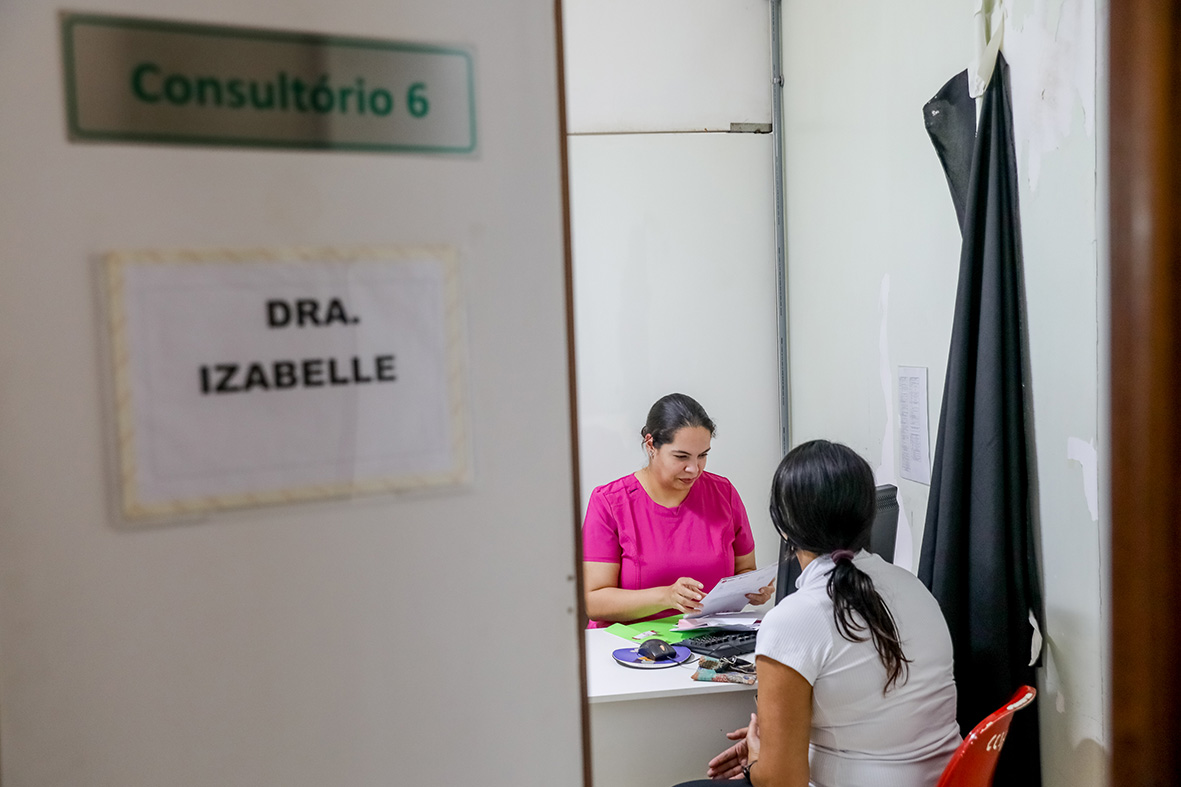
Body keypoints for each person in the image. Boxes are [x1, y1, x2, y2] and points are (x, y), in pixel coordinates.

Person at [678, 440, 960, 787]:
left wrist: (758, 759)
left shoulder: (794, 620)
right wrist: (776, 745)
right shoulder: (914, 588)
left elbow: (782, 782)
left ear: (783, 527)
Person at [582, 393, 774, 627]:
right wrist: (666, 597)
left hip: (707, 641)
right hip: (630, 650)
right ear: (651, 445)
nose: (694, 469)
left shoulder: (724, 494)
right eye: (681, 456)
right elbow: (595, 602)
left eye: (703, 455)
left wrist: (755, 591)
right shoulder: (610, 502)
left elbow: (745, 569)